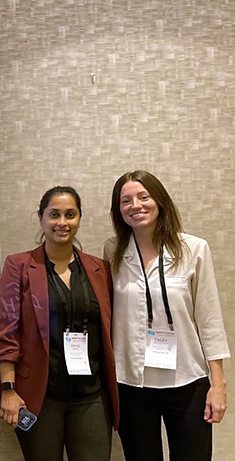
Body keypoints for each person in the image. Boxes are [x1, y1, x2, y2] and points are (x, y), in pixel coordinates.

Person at [103, 170, 229, 461]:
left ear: (160, 201)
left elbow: (209, 319)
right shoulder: (113, 251)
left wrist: (218, 384)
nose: (136, 205)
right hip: (131, 384)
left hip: (187, 380)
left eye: (143, 197)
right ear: (118, 209)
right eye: (126, 201)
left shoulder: (194, 249)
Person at [0, 186, 119, 461]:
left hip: (92, 395)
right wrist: (8, 390)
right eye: (54, 214)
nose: (62, 222)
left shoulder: (99, 269)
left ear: (79, 219)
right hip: (41, 396)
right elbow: (6, 333)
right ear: (41, 218)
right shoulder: (19, 266)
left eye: (70, 215)